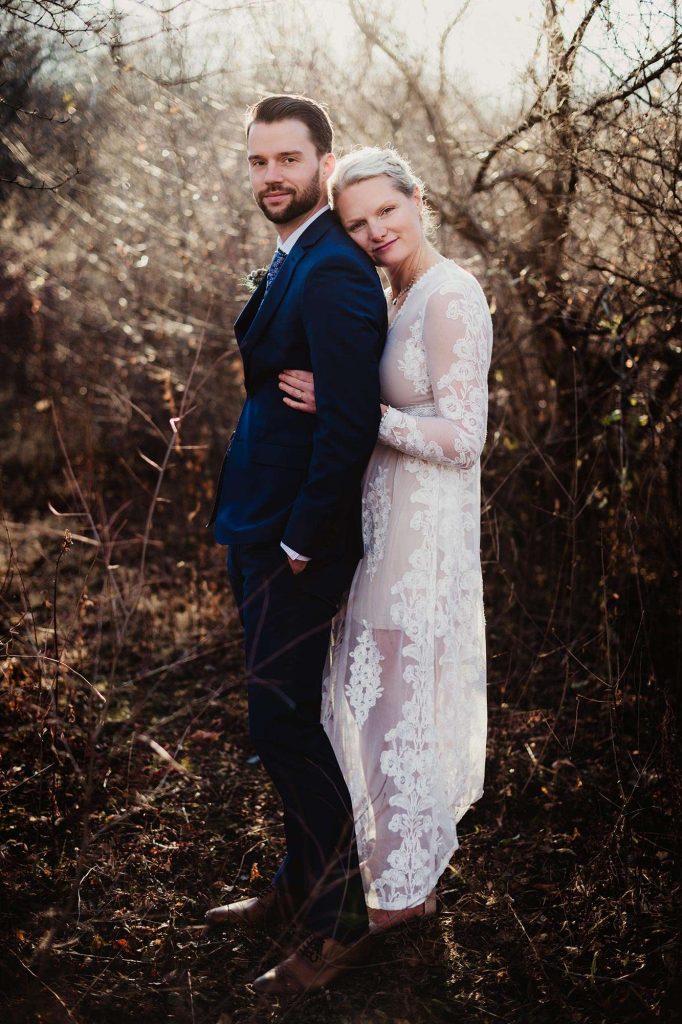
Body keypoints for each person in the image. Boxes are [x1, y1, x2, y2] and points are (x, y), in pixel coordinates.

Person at [278, 147, 493, 933]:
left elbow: (463, 439)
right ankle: (393, 872)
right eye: (357, 222)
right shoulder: (394, 295)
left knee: (398, 705)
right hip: (382, 520)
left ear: (418, 199)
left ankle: (404, 895)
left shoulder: (450, 295)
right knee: (372, 701)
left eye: (387, 211)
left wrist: (356, 411)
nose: (375, 231)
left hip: (423, 531)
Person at [204, 102, 387, 994]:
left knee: (285, 726)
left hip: (294, 542)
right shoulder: (294, 255)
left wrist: (303, 540)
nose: (271, 175)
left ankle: (340, 922)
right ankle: (296, 881)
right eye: (259, 161)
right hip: (258, 525)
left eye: (288, 158)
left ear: (324, 162)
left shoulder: (334, 269)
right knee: (280, 721)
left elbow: (349, 426)